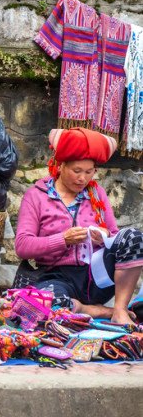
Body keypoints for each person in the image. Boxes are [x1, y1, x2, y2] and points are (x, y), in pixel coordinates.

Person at [15, 127, 142, 325]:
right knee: (45, 306)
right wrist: (62, 239)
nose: (83, 178)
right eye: (77, 171)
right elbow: (23, 246)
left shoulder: (96, 193)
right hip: (56, 276)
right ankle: (94, 311)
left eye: (89, 172)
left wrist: (104, 236)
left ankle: (119, 309)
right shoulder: (37, 195)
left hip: (97, 276)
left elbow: (117, 237)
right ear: (60, 166)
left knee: (133, 237)